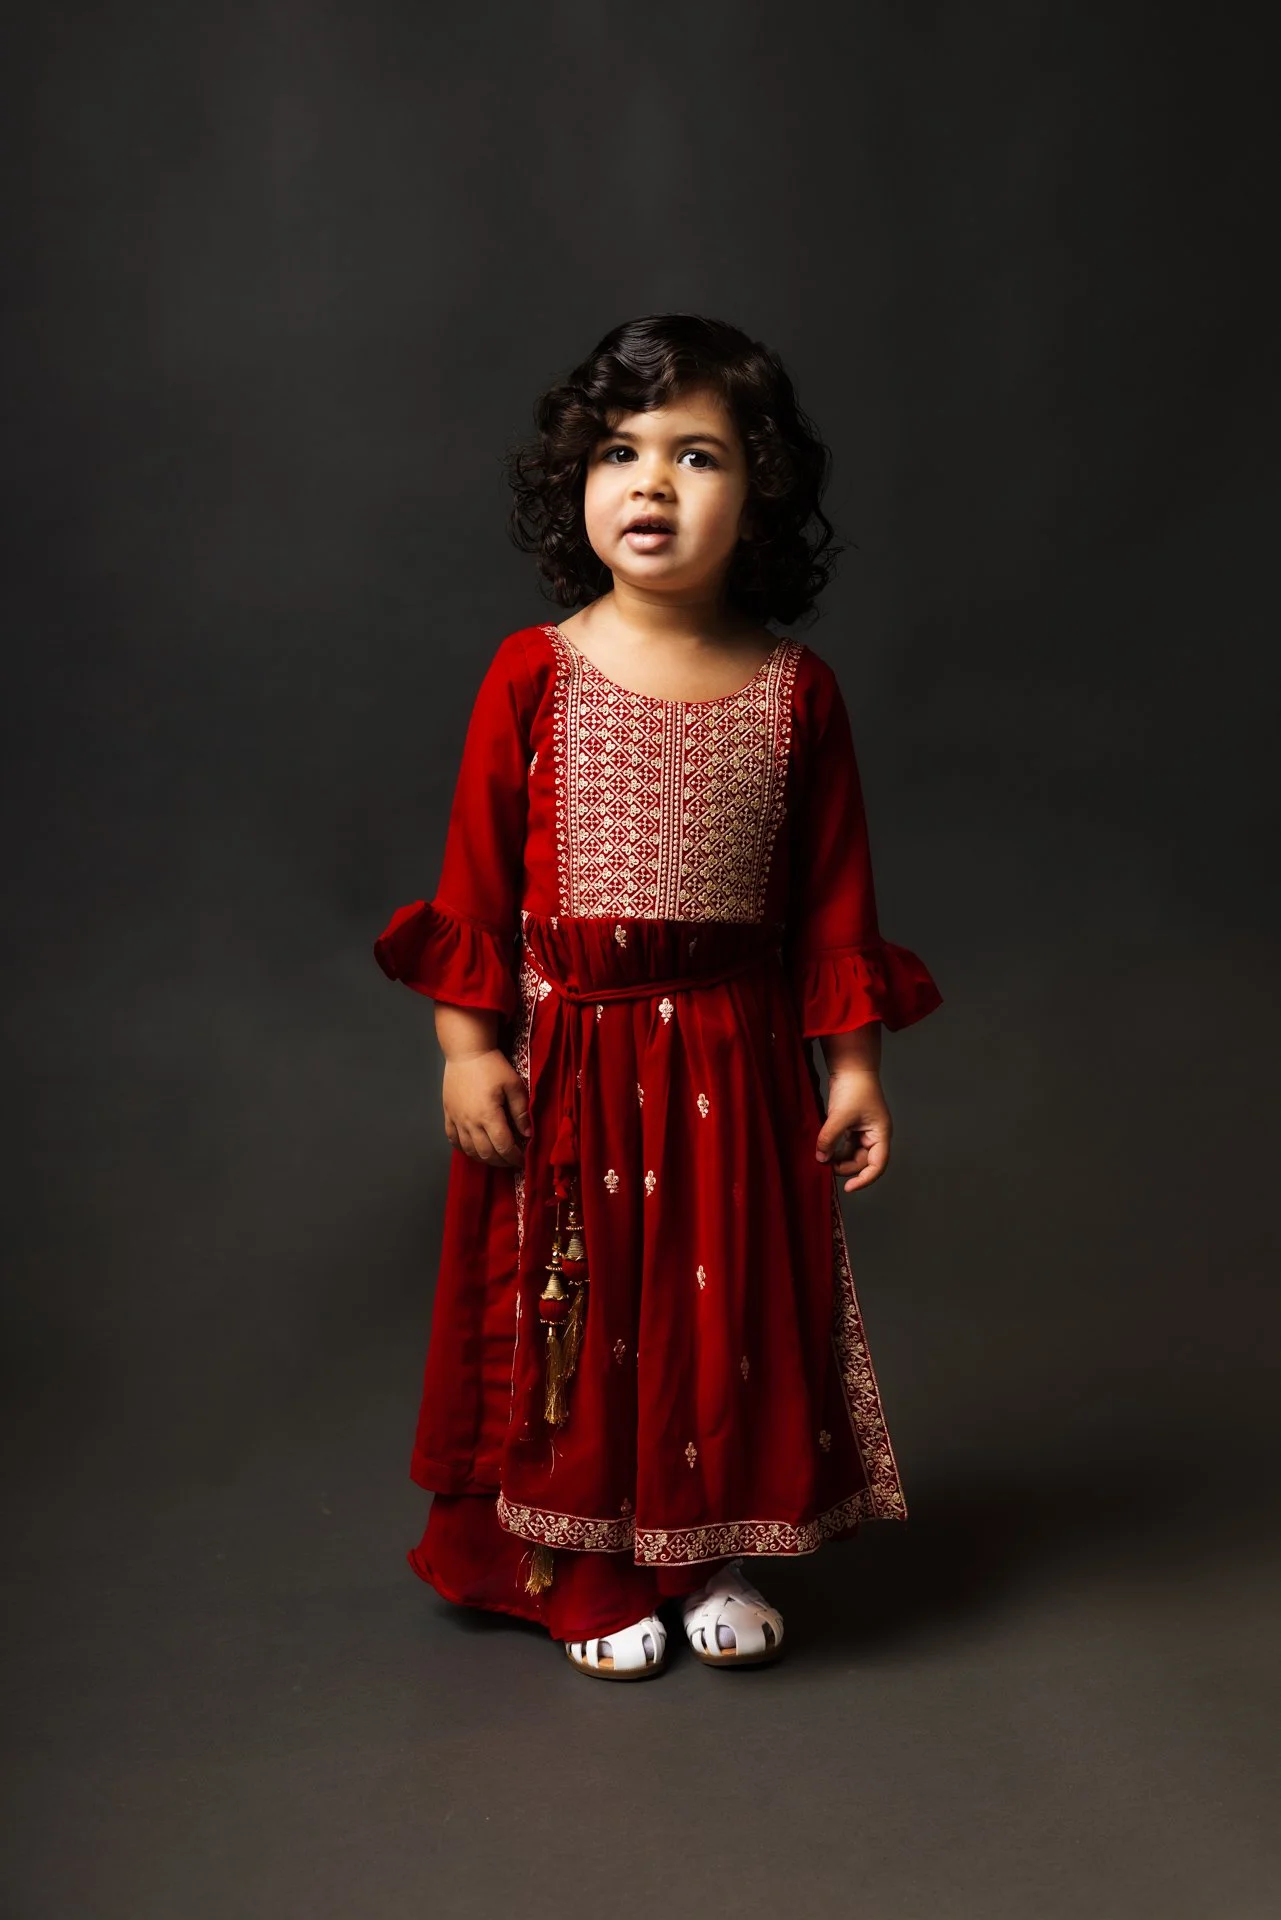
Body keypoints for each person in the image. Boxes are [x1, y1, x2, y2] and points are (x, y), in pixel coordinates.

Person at [374, 314, 941, 1680]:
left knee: (728, 1308)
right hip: (572, 1059)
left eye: (698, 455)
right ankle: (580, 1563)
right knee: (580, 1311)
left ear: (760, 498)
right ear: (575, 483)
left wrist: (852, 1068)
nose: (652, 484)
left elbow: (834, 905)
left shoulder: (798, 694)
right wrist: (467, 1050)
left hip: (739, 1067)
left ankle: (713, 1547)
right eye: (620, 452)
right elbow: (472, 881)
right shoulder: (535, 671)